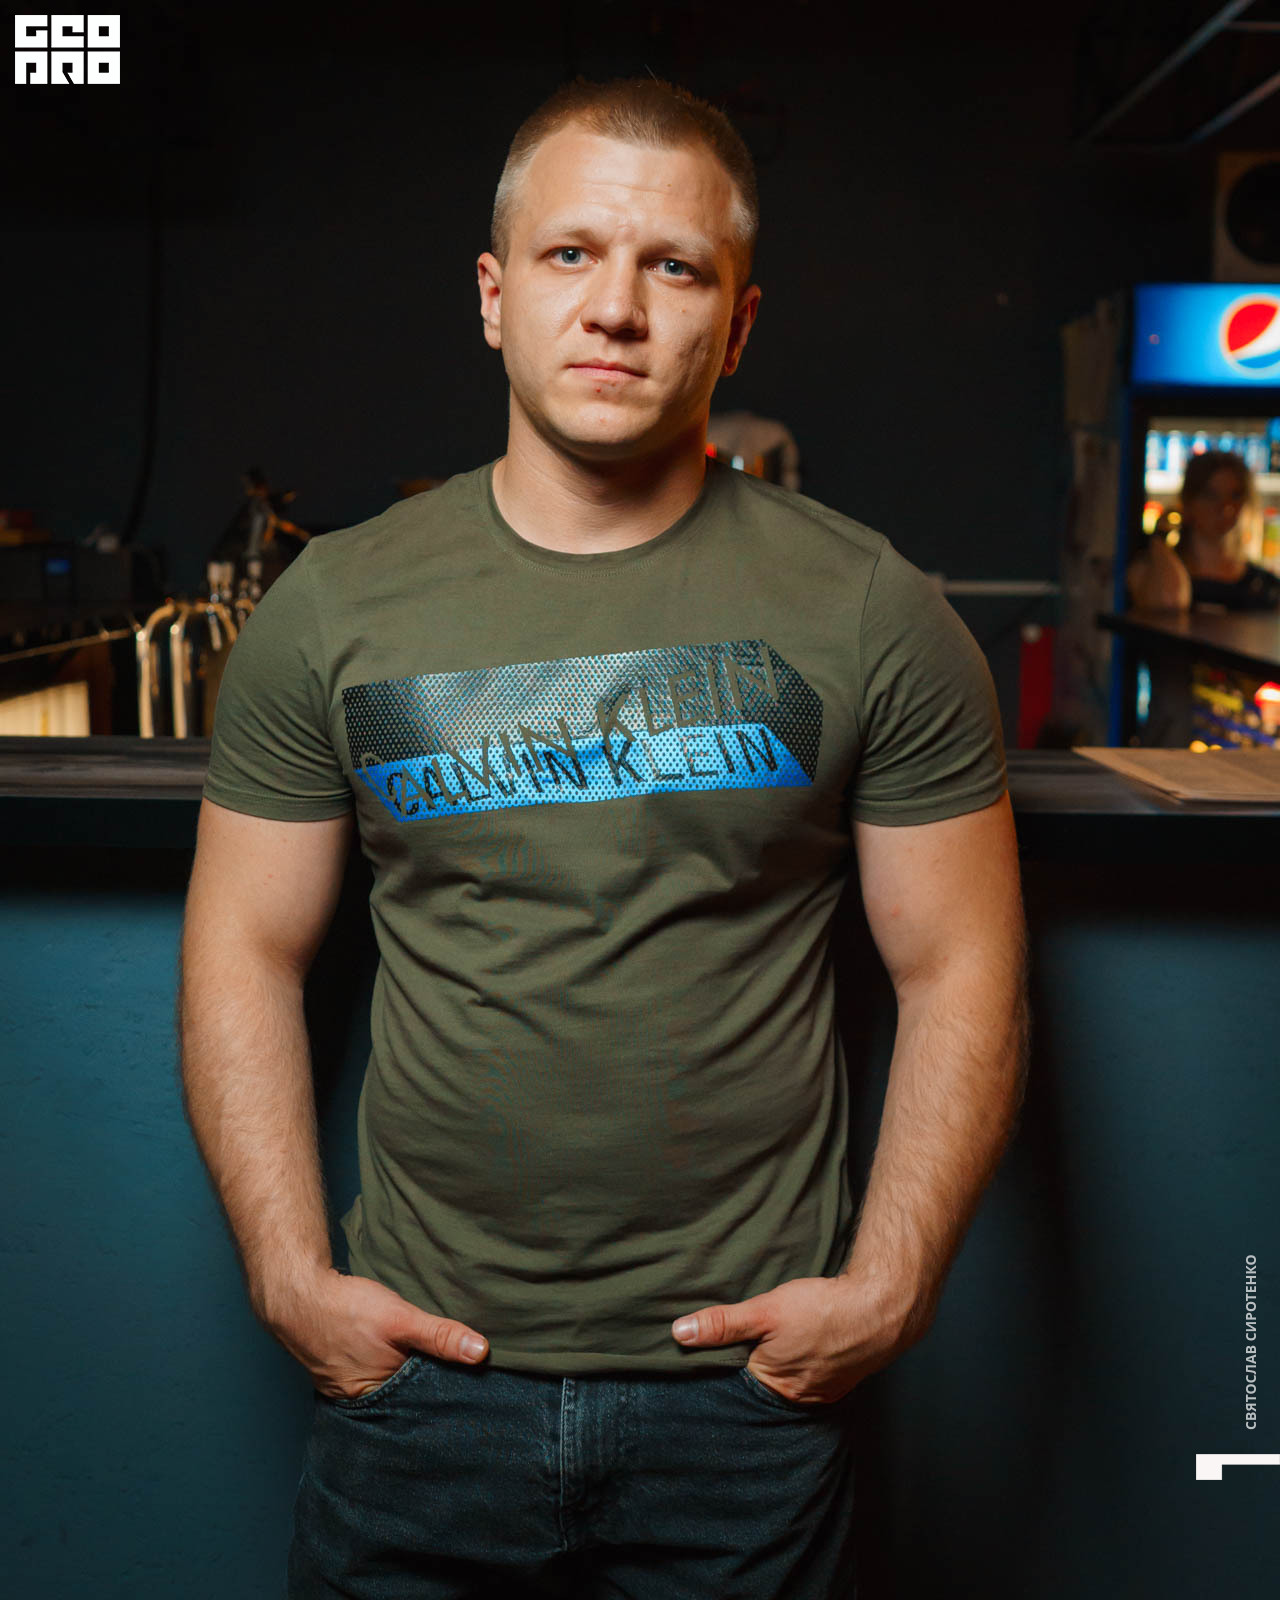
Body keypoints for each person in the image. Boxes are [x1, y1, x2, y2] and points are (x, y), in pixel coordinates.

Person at [179, 74, 1029, 1600]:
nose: (617, 308)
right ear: (494, 295)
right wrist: (288, 1276)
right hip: (419, 1384)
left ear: (738, 324)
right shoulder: (336, 606)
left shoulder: (870, 612)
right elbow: (245, 946)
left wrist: (890, 1287)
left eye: (673, 267)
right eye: (571, 253)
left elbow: (964, 968)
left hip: (745, 1403)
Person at [1127, 449, 1280, 612]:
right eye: (1211, 495)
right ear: (1188, 501)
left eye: (1235, 496)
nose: (1226, 508)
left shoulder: (1264, 586)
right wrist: (1159, 540)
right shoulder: (1152, 571)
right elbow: (1168, 601)